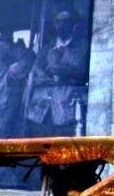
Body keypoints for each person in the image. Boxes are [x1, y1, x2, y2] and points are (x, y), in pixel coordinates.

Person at [25, 9, 90, 137]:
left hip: (66, 110)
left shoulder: (83, 47)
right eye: (58, 22)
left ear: (74, 24)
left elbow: (80, 71)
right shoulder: (46, 48)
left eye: (67, 21)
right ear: (54, 25)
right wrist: (60, 76)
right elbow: (36, 73)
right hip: (41, 112)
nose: (62, 25)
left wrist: (58, 71)